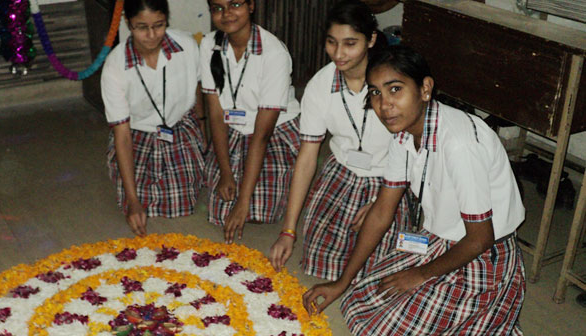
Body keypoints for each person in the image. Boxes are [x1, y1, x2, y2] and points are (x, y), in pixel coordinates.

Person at [303, 45, 526, 335]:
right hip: (437, 239)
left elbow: (479, 239)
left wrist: (420, 274)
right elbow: (383, 211)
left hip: (482, 255)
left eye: (395, 89)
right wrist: (343, 280)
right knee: (359, 302)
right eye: (375, 93)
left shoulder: (458, 144)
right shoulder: (404, 134)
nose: (384, 105)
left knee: (385, 329)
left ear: (425, 89)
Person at [268, 0, 409, 282]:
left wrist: (385, 199)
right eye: (332, 42)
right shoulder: (321, 85)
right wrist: (288, 230)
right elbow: (308, 158)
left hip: (393, 179)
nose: (339, 54)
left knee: (379, 270)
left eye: (350, 43)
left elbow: (415, 149)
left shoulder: (393, 81)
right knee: (320, 259)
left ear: (370, 40)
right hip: (343, 173)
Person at [101, 0, 206, 236]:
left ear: (167, 20)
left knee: (182, 204)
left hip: (179, 128)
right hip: (137, 135)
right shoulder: (115, 66)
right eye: (141, 27)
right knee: (137, 202)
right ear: (128, 24)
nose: (151, 35)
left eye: (158, 26)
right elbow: (123, 135)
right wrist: (132, 200)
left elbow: (199, 91)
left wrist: (202, 133)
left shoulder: (187, 46)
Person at [202, 0, 301, 243]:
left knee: (258, 212)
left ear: (251, 6)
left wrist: (244, 201)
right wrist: (225, 172)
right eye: (217, 8)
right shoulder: (208, 44)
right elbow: (215, 114)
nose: (227, 14)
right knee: (220, 209)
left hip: (272, 132)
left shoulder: (274, 53)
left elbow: (262, 135)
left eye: (235, 4)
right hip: (232, 128)